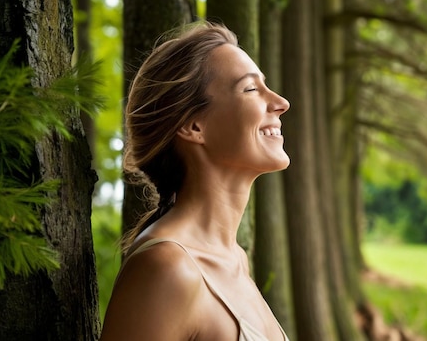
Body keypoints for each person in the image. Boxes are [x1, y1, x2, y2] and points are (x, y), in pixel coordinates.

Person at [100, 22, 290, 341]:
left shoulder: (235, 258)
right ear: (194, 126)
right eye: (251, 89)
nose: (281, 102)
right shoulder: (167, 267)